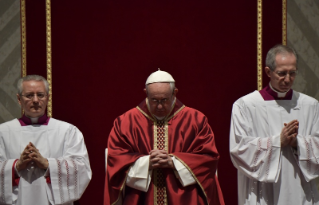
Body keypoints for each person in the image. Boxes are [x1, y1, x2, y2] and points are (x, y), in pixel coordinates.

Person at [104, 69, 224, 205]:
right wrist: (146, 163)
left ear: (175, 93)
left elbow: (208, 159)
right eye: (154, 100)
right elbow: (116, 160)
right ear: (146, 93)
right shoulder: (125, 122)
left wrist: (174, 162)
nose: (159, 106)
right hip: (141, 198)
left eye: (164, 100)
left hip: (185, 197)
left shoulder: (196, 121)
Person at [230, 44, 319, 205]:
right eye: (282, 73)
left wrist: (297, 143)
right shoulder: (245, 105)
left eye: (292, 73)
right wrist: (278, 142)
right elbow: (239, 150)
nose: (287, 79)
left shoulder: (310, 105)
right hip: (262, 192)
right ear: (268, 72)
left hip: (299, 189)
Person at [0, 75, 92, 205]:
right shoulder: (3, 132)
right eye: (29, 95)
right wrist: (16, 166)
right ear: (19, 99)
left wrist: (48, 164)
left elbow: (82, 169)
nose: (36, 100)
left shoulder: (68, 131)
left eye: (41, 95)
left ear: (48, 98)